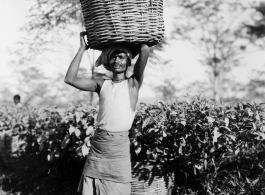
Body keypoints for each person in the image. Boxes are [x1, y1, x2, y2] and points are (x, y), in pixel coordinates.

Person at [64, 31, 150, 195]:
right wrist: (82, 49)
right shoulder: (101, 83)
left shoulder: (133, 83)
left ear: (128, 61)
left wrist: (134, 39)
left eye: (121, 57)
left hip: (119, 149)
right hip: (99, 146)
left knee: (118, 189)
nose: (117, 60)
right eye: (113, 57)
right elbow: (70, 79)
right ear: (108, 61)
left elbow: (145, 49)